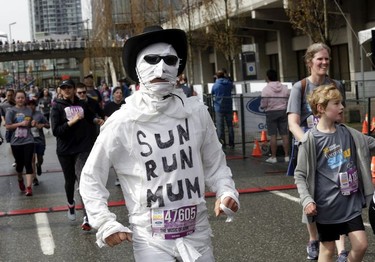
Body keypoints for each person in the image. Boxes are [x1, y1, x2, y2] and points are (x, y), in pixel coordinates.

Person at [79, 25, 239, 261]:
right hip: (150, 238)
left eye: (169, 60)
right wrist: (104, 222)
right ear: (137, 66)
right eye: (151, 60)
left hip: (197, 231)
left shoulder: (196, 113)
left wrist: (226, 191)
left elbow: (215, 164)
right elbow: (92, 176)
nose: (161, 68)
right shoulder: (123, 121)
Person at [295, 84, 374, 262]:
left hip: (350, 205)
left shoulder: (348, 133)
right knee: (328, 251)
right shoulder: (311, 140)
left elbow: (370, 144)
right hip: (327, 208)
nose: (342, 107)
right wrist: (307, 199)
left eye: (341, 103)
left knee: (361, 245)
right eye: (336, 103)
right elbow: (299, 174)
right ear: (321, 108)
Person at [286, 42, 347, 260]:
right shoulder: (299, 87)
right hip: (309, 147)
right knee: (312, 194)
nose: (323, 62)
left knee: (339, 192)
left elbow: (340, 117)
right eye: (319, 59)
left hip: (333, 147)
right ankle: (314, 239)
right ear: (309, 61)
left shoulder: (336, 84)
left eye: (327, 59)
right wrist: (308, 142)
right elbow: (293, 122)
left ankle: (341, 249)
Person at [51, 79, 97, 231]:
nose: (67, 90)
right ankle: (71, 203)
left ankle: (87, 216)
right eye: (64, 88)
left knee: (82, 180)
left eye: (69, 87)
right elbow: (56, 131)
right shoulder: (56, 107)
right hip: (65, 150)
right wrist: (73, 121)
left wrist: (99, 120)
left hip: (81, 148)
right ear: (60, 90)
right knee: (70, 181)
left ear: (73, 89)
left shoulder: (81, 103)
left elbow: (90, 117)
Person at [5, 90, 35, 196]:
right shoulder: (11, 111)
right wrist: (20, 123)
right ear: (15, 99)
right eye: (18, 98)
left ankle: (28, 187)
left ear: (25, 98)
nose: (20, 99)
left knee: (28, 163)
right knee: (19, 165)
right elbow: (7, 126)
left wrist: (32, 123)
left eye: (22, 97)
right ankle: (20, 178)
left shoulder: (29, 110)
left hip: (28, 140)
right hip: (16, 142)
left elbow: (31, 124)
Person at [260, 69, 290, 163]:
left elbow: (264, 103)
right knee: (284, 134)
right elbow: (288, 98)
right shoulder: (284, 88)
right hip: (283, 111)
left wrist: (264, 106)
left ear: (268, 77)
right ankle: (287, 156)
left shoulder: (266, 89)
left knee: (273, 135)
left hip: (271, 112)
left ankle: (273, 157)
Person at [27, 99, 50, 185]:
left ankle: (39, 165)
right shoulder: (24, 114)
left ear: (35, 105)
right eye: (29, 104)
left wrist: (42, 125)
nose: (31, 106)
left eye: (33, 104)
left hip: (39, 140)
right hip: (28, 140)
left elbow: (48, 126)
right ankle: (34, 178)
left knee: (40, 158)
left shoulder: (39, 115)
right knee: (32, 159)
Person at [211, 69, 235, 148]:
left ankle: (222, 143)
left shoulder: (216, 85)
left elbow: (212, 93)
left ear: (217, 76)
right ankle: (231, 143)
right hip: (228, 106)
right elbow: (232, 87)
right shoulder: (229, 83)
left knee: (220, 126)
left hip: (219, 107)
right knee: (230, 125)